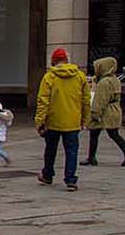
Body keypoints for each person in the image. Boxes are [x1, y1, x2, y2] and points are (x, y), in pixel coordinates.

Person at [34, 48, 90, 191]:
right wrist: (85, 119)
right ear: (66, 60)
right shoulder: (80, 76)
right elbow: (86, 100)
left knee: (50, 149)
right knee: (72, 151)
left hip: (53, 121)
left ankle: (48, 174)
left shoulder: (49, 77)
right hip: (73, 121)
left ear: (53, 61)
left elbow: (43, 101)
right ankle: (70, 179)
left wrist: (39, 121)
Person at [84, 57, 125, 167]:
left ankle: (92, 158)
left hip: (105, 112)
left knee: (95, 133)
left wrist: (94, 113)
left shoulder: (104, 83)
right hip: (114, 109)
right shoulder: (115, 79)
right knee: (114, 134)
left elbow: (100, 100)